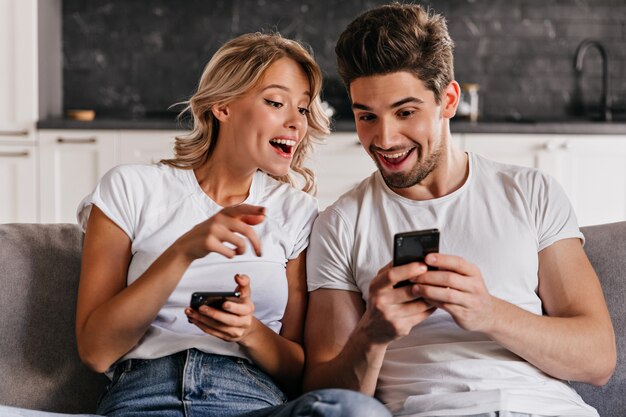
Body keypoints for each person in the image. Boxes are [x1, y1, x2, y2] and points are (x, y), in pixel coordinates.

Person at [0, 33, 390, 417]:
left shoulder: (297, 211)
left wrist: (248, 331)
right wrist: (184, 251)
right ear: (222, 106)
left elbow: (299, 370)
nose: (296, 123)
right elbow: (96, 350)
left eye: (303, 109)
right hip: (144, 398)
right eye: (276, 102)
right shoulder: (131, 188)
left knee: (353, 409)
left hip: (249, 398)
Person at [303, 4, 616, 417]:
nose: (385, 138)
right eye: (366, 117)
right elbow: (324, 399)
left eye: (405, 112)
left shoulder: (530, 192)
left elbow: (597, 361)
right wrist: (371, 335)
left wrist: (489, 313)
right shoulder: (340, 224)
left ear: (448, 99)